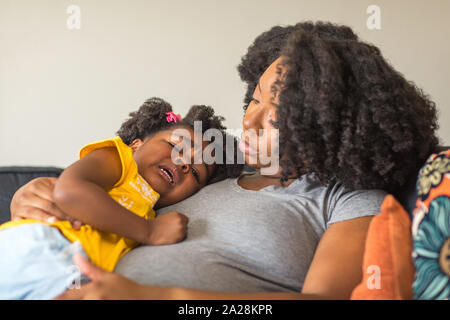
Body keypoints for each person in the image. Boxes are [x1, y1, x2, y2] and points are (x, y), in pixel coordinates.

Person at [10, 21, 440, 299]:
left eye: (274, 113)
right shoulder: (207, 173)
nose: (247, 120)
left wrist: (163, 299)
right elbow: (103, 201)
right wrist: (36, 199)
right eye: (253, 98)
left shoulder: (348, 201)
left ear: (332, 123)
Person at [0, 97, 243, 299]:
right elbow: (70, 191)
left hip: (76, 274)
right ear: (137, 144)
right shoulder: (121, 159)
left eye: (197, 172)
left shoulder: (150, 208)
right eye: (174, 145)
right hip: (43, 245)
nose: (184, 162)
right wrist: (150, 231)